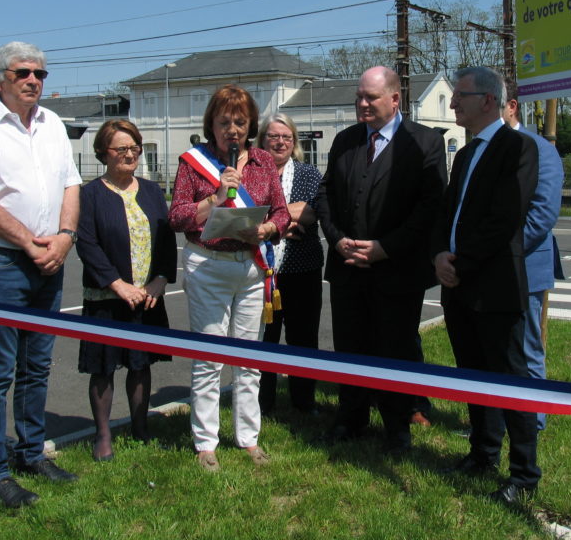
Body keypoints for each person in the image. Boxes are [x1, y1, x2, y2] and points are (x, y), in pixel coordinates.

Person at [0, 41, 81, 508]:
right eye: (23, 72)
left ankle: (31, 452)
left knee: (37, 365)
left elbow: (70, 183)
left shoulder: (53, 125)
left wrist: (64, 237)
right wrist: (28, 241)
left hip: (52, 257)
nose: (33, 80)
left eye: (41, 73)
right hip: (1, 261)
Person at [316, 66, 447, 454]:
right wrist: (337, 240)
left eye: (370, 98)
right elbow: (325, 195)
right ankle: (350, 417)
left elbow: (429, 207)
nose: (361, 104)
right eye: (359, 96)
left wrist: (385, 248)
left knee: (396, 347)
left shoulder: (424, 142)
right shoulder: (345, 141)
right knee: (350, 345)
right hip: (347, 269)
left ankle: (396, 423)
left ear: (394, 99)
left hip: (396, 269)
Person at [431, 66, 540, 505]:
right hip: (457, 284)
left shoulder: (518, 148)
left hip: (493, 286)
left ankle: (525, 474)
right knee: (473, 376)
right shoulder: (465, 153)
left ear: (489, 101)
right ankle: (482, 453)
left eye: (460, 96)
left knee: (511, 379)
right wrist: (439, 254)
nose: (453, 103)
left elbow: (504, 218)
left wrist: (463, 263)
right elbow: (447, 213)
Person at [168, 84, 290, 472]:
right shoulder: (192, 163)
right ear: (212, 125)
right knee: (209, 358)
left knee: (249, 359)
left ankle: (248, 438)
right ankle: (206, 442)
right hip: (208, 267)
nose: (233, 130)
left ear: (251, 124)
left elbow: (283, 214)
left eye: (240, 122)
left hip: (252, 267)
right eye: (225, 122)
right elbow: (177, 218)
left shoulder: (263, 163)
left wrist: (267, 229)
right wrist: (215, 199)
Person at [75, 119, 177, 462]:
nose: (130, 154)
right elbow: (87, 244)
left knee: (140, 362)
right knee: (102, 368)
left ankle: (140, 426)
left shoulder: (150, 190)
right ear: (104, 153)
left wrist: (160, 279)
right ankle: (103, 434)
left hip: (146, 296)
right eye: (122, 149)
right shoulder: (88, 194)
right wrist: (116, 285)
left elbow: (165, 237)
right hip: (107, 296)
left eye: (134, 148)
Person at [502, 84, 564, 430]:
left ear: (511, 107)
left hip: (524, 265)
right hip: (490, 268)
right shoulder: (480, 147)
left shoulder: (540, 149)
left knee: (527, 347)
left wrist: (500, 253)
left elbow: (542, 214)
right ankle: (498, 416)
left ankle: (533, 419)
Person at [255, 113, 323, 416]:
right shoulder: (251, 173)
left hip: (302, 269)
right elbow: (245, 211)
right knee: (264, 338)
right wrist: (284, 222)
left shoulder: (309, 174)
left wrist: (270, 219)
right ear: (262, 140)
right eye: (273, 136)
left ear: (293, 142)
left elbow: (311, 213)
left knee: (303, 338)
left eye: (286, 137)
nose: (280, 142)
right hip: (260, 271)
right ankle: (262, 403)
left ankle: (304, 402)